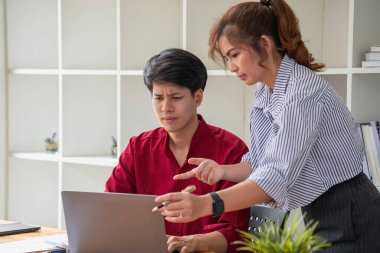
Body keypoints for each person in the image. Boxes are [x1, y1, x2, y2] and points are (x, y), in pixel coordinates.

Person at [155, 1, 380, 252]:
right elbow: (263, 163)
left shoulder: (302, 93)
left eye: (235, 54)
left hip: (351, 210)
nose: (231, 67)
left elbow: (274, 177)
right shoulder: (266, 90)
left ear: (264, 44)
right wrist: (222, 172)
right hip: (319, 210)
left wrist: (205, 204)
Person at [105, 48, 250, 253]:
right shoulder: (138, 148)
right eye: (158, 98)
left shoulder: (231, 151)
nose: (166, 108)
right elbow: (110, 209)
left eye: (176, 97)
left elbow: (235, 234)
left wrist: (195, 242)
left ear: (198, 97)